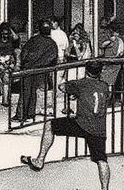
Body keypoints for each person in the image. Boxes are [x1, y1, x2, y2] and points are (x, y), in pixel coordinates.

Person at [20, 61, 111, 190]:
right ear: (100, 72)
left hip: (82, 124)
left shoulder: (81, 83)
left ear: (86, 71)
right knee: (102, 160)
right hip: (99, 129)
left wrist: (74, 91)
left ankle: (40, 160)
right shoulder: (104, 86)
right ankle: (105, 188)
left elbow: (62, 87)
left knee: (50, 125)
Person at [13, 19, 58, 122]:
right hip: (40, 70)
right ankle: (30, 113)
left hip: (28, 68)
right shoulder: (52, 43)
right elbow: (52, 58)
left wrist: (24, 64)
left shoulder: (33, 40)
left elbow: (24, 53)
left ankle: (21, 114)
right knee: (33, 91)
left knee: (26, 91)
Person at [98, 20, 124, 105]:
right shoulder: (121, 40)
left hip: (109, 64)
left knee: (107, 82)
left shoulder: (112, 40)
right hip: (117, 64)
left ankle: (107, 100)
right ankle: (112, 99)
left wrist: (109, 41)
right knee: (112, 83)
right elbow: (121, 52)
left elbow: (101, 45)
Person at [0, 22, 17, 106]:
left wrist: (10, 29)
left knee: (7, 80)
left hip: (10, 61)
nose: (5, 35)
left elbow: (16, 38)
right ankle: (5, 99)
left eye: (7, 33)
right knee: (5, 79)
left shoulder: (11, 39)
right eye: (3, 33)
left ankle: (6, 99)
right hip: (1, 62)